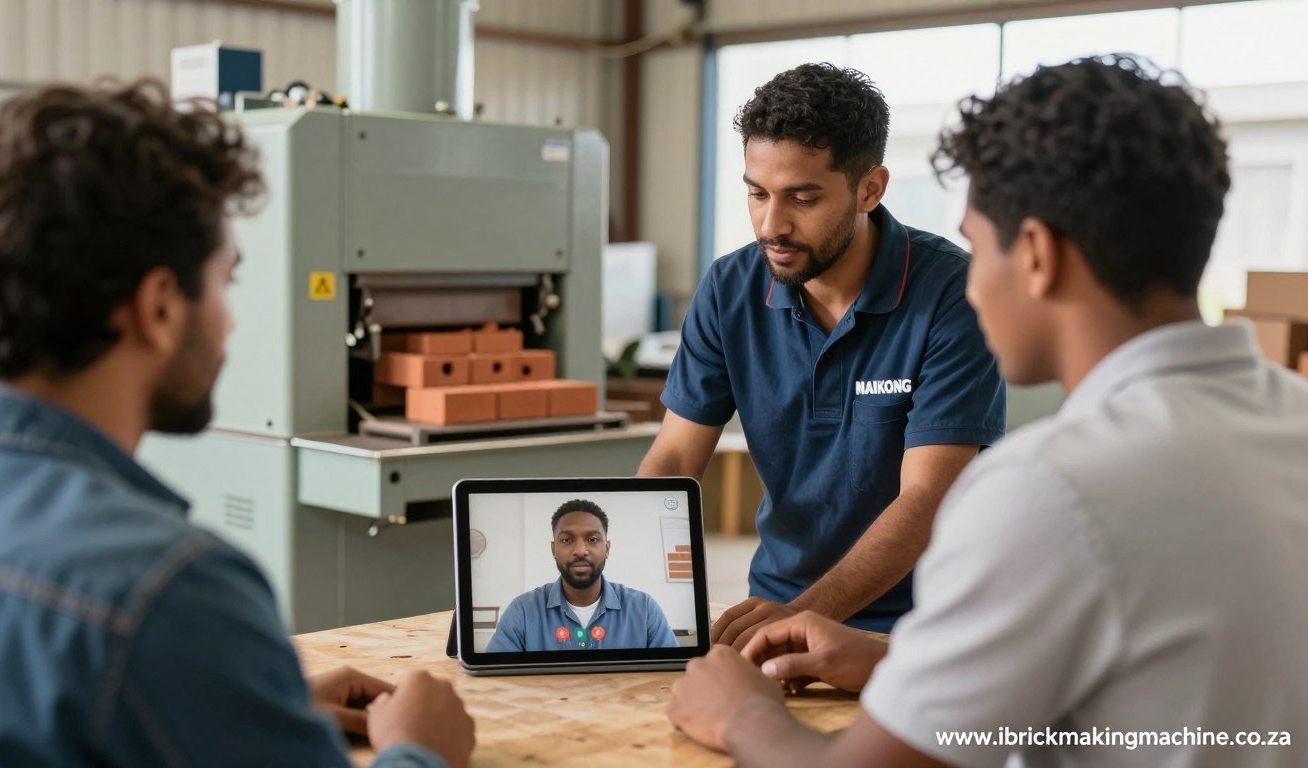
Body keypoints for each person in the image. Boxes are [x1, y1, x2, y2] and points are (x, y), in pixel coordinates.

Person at [666, 55, 1308, 767]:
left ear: (1034, 254)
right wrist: (891, 661)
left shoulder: (1048, 490)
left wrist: (741, 716)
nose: (971, 285)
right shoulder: (1293, 420)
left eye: (977, 245)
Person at [0, 80, 475, 768]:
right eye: (226, 282)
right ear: (161, 307)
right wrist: (419, 750)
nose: (231, 320)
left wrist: (237, 700)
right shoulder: (169, 590)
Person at [638, 63, 1006, 642]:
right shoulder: (729, 287)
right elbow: (674, 460)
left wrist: (806, 617)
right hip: (778, 610)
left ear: (870, 189)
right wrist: (633, 592)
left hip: (924, 630)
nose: (771, 224)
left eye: (802, 198)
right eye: (757, 194)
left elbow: (927, 498)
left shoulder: (951, 295)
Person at [486, 499, 678, 651]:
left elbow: (671, 681)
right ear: (553, 549)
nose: (580, 550)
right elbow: (493, 684)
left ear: (607, 548)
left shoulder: (644, 609)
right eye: (567, 539)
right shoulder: (522, 611)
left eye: (592, 539)